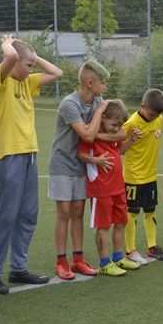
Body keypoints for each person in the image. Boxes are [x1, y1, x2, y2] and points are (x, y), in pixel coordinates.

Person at [0, 35, 62, 295]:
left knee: (28, 213)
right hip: (9, 156)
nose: (31, 69)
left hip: (29, 155)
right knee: (6, 215)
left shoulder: (27, 82)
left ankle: (18, 268)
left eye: (32, 65)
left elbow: (57, 72)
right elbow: (10, 56)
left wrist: (33, 56)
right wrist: (8, 43)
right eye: (28, 65)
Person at [49, 60, 111, 280]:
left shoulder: (97, 101)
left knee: (78, 212)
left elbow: (102, 130)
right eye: (103, 83)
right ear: (90, 83)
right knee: (64, 212)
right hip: (62, 164)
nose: (105, 87)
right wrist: (99, 112)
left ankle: (78, 259)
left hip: (81, 164)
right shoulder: (70, 104)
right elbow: (87, 136)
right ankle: (61, 261)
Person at [77, 100, 141, 276]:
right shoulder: (91, 135)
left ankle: (118, 257)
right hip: (101, 189)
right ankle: (105, 262)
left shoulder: (113, 136)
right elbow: (81, 154)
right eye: (114, 124)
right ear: (103, 118)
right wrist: (96, 160)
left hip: (118, 187)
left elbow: (120, 151)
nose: (116, 128)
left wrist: (132, 140)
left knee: (121, 222)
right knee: (103, 225)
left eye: (119, 125)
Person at [122, 88, 163, 264]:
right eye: (151, 114)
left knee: (150, 211)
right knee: (132, 213)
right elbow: (119, 150)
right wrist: (131, 139)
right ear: (142, 106)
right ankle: (130, 250)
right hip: (133, 177)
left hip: (150, 176)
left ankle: (152, 246)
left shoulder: (159, 119)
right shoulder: (131, 124)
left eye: (157, 115)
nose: (154, 117)